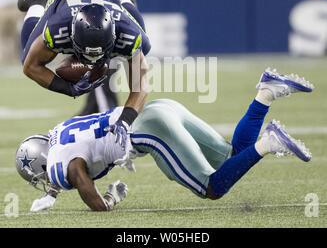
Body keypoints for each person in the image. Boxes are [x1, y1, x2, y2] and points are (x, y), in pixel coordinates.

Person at [15, 67, 314, 212]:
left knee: (212, 188)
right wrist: (52, 193)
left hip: (150, 129)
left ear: (41, 161)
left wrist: (109, 200)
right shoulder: (58, 133)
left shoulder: (59, 165)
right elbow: (72, 156)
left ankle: (269, 143)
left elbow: (79, 176)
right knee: (231, 157)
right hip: (158, 108)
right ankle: (267, 92)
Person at [17, 0, 150, 146]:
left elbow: (140, 86)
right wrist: (67, 88)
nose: (92, 62)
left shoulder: (127, 34)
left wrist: (126, 119)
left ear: (113, 36)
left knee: (145, 44)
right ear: (71, 35)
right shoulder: (59, 27)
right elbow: (30, 67)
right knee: (27, 54)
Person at [68, 0, 150, 116]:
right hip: (95, 19)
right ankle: (109, 121)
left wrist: (132, 11)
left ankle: (74, 128)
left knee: (110, 73)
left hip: (119, 14)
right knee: (101, 72)